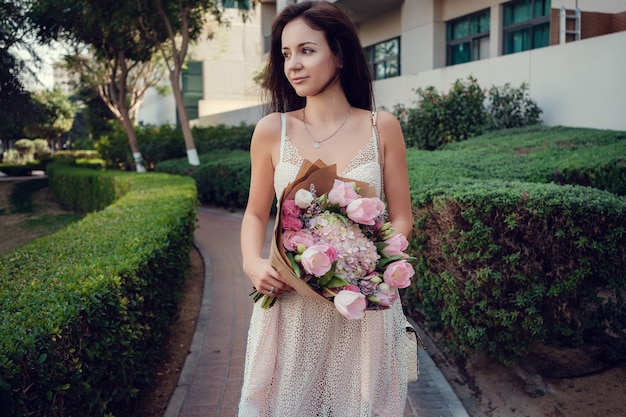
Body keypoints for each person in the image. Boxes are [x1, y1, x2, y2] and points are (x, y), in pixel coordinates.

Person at [238, 1, 413, 416]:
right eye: (285, 54)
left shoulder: (381, 127)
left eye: (306, 50)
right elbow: (255, 213)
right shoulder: (271, 131)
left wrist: (373, 263)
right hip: (292, 305)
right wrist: (252, 261)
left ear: (338, 53)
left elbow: (402, 215)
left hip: (363, 309)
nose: (293, 65)